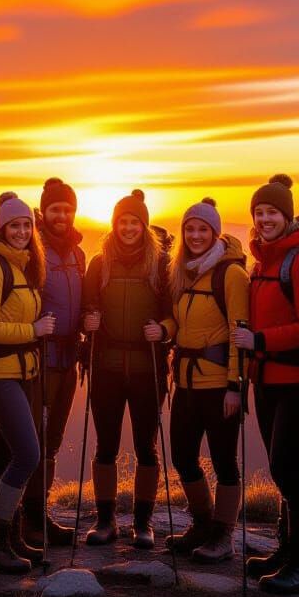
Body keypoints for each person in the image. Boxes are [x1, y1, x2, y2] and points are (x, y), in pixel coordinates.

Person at [232, 175, 299, 593]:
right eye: (259, 212)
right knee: (290, 465)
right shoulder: (264, 260)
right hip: (266, 380)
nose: (264, 219)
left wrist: (259, 341)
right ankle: (289, 550)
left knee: (285, 466)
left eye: (272, 212)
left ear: (287, 216)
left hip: (298, 382)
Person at [81, 189, 171, 548]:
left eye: (135, 222)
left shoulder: (161, 264)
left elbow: (172, 311)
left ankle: (142, 523)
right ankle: (106, 521)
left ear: (144, 225)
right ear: (114, 224)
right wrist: (87, 319)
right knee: (106, 445)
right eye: (123, 221)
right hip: (106, 366)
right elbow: (87, 303)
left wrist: (164, 330)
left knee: (146, 447)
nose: (129, 228)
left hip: (149, 367)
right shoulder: (99, 263)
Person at [0, 192, 55, 573]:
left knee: (5, 456)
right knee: (28, 454)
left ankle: (8, 538)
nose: (21, 232)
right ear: (2, 229)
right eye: (14, 226)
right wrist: (33, 330)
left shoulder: (22, 266)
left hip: (21, 372)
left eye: (26, 225)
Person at [165, 197, 250, 563]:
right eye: (190, 229)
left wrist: (235, 387)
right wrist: (164, 329)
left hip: (219, 386)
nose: (195, 235)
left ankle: (223, 535)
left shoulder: (231, 275)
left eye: (203, 229)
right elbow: (180, 321)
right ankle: (202, 524)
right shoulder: (183, 271)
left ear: (215, 233)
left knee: (224, 461)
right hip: (185, 384)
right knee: (183, 456)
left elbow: (239, 332)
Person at [21, 178, 85, 547]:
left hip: (69, 358)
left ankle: (38, 514)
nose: (62, 215)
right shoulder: (34, 250)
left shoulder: (78, 253)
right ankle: (27, 518)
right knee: (36, 438)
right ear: (44, 212)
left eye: (68, 209)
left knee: (54, 438)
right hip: (41, 360)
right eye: (55, 209)